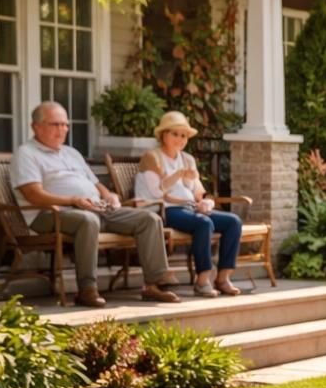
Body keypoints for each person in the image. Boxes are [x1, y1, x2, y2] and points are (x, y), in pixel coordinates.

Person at [12, 101, 179, 306]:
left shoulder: (71, 153)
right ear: (36, 127)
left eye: (65, 124)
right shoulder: (26, 154)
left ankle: (154, 285)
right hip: (50, 214)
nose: (63, 129)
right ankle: (87, 289)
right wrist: (73, 200)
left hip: (95, 208)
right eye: (56, 124)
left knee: (149, 219)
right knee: (88, 220)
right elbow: (33, 194)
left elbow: (96, 184)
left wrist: (110, 196)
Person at [136, 111, 245, 297]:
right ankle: (202, 280)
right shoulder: (152, 158)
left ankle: (223, 277)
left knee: (233, 221)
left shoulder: (187, 159)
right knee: (203, 223)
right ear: (163, 135)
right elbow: (158, 193)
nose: (180, 139)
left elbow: (198, 192)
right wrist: (179, 177)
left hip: (190, 209)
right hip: (166, 210)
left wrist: (205, 203)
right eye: (175, 134)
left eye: (184, 135)